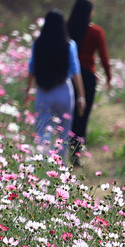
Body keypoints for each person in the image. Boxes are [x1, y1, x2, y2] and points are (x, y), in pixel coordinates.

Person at [25, 10, 85, 163]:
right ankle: (61, 164)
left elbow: (31, 68)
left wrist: (27, 91)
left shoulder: (38, 44)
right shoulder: (69, 45)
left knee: (43, 129)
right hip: (64, 90)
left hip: (44, 91)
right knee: (64, 130)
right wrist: (81, 95)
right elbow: (75, 69)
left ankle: (43, 162)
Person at [66, 0, 112, 167]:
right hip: (87, 78)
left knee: (67, 114)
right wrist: (108, 77)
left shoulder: (66, 28)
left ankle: (60, 150)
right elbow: (103, 56)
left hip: (68, 77)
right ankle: (76, 154)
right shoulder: (95, 32)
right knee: (82, 116)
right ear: (90, 12)